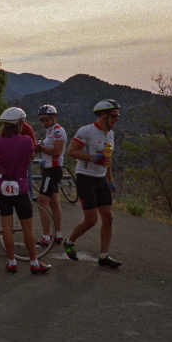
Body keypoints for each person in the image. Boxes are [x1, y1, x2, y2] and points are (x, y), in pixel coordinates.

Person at [0, 107, 51, 275]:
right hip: (20, 186)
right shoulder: (26, 141)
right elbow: (29, 159)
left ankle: (11, 261)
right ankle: (33, 262)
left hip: (1, 186)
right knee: (27, 226)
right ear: (19, 124)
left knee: (6, 226)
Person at [63, 99, 123, 269]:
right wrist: (92, 158)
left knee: (108, 218)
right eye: (114, 115)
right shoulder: (86, 131)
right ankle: (69, 242)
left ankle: (103, 256)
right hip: (85, 177)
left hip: (101, 178)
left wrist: (110, 180)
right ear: (103, 115)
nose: (117, 119)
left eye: (118, 115)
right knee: (91, 220)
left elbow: (107, 159)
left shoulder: (110, 134)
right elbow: (71, 151)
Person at [35, 105, 66, 245]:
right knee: (54, 203)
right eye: (41, 120)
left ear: (53, 117)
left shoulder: (58, 131)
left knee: (41, 202)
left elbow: (56, 152)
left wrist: (40, 147)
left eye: (46, 119)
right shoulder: (50, 131)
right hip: (49, 170)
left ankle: (46, 237)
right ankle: (58, 234)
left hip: (52, 170)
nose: (44, 122)